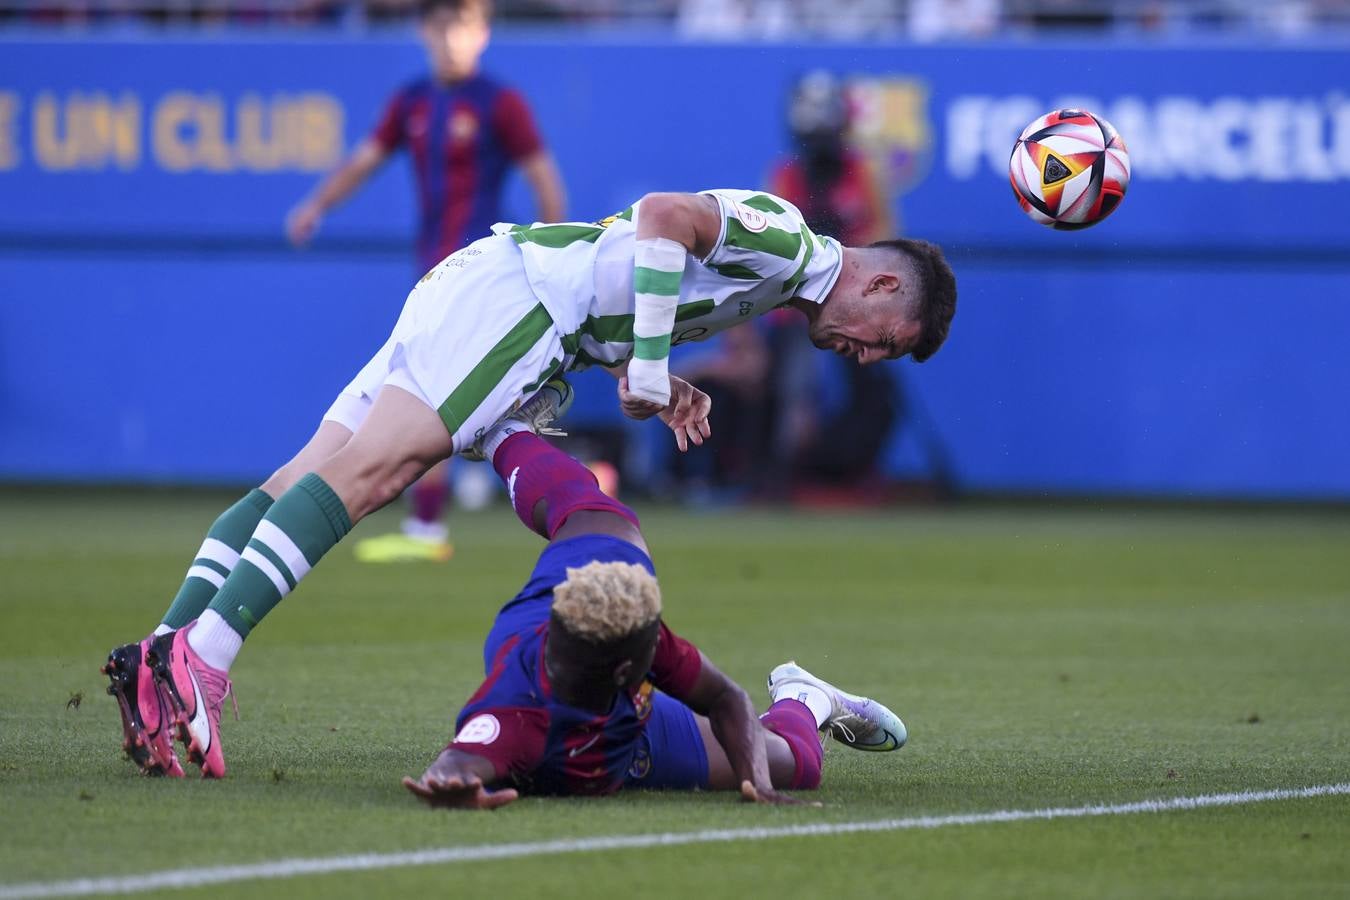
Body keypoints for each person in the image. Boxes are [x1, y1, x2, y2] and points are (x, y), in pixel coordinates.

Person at [102, 186, 956, 778]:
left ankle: (160, 650)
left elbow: (634, 260)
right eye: (890, 338)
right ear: (882, 284)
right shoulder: (791, 240)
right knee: (375, 472)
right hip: (522, 302)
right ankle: (204, 660)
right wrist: (654, 357)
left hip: (499, 287)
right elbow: (662, 216)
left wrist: (647, 371)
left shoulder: (779, 285)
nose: (870, 355)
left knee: (305, 473)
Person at [401, 424, 907, 808]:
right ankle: (502, 430)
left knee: (796, 767)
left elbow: (725, 697)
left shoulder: (635, 631)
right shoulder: (515, 713)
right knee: (594, 519)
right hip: (604, 721)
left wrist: (757, 779)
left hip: (620, 725)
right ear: (628, 670)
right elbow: (456, 762)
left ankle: (502, 431)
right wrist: (450, 786)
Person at [286, 0, 567, 564]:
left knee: (430, 391)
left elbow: (544, 181)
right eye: (439, 26)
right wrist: (317, 204)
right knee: (443, 393)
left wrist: (557, 259)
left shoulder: (500, 103)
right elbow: (365, 159)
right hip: (435, 274)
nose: (449, 38)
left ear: (482, 34)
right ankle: (498, 491)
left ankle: (431, 523)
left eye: (461, 26)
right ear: (423, 31)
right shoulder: (413, 100)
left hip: (484, 275)